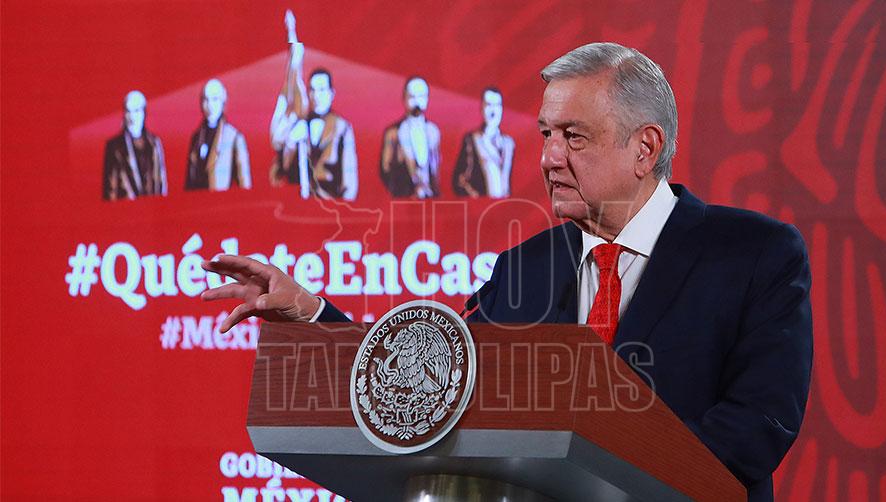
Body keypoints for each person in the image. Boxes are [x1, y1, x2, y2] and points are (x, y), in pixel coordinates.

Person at [201, 42, 812, 502]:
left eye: (574, 136)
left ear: (644, 149)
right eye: (546, 134)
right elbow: (436, 389)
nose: (548, 157)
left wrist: (602, 473)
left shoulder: (755, 254)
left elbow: (758, 425)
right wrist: (312, 316)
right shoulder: (525, 267)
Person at [269, 10, 358, 200]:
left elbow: (349, 179)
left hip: (331, 205)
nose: (317, 96)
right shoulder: (298, 122)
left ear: (332, 94)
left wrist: (344, 208)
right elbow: (278, 172)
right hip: (299, 205)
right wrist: (290, 146)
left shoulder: (342, 127)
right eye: (313, 90)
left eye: (322, 90)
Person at [185, 79, 252, 191]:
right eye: (206, 100)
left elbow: (245, 185)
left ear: (223, 102)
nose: (210, 105)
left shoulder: (234, 138)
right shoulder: (196, 138)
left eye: (215, 99)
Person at [380, 76, 441, 198]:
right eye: (412, 97)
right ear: (404, 98)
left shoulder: (433, 131)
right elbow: (385, 168)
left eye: (422, 97)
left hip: (430, 198)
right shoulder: (393, 133)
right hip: (404, 198)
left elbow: (436, 166)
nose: (417, 102)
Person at [102, 90, 168, 200]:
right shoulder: (114, 147)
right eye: (128, 111)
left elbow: (161, 183)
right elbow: (110, 190)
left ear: (144, 113)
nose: (132, 117)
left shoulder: (154, 143)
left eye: (136, 111)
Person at [452, 87, 515, 198]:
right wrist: (477, 199)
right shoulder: (472, 140)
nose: (493, 111)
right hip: (482, 206)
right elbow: (459, 181)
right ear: (482, 108)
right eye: (489, 105)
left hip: (505, 205)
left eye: (497, 105)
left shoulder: (508, 143)